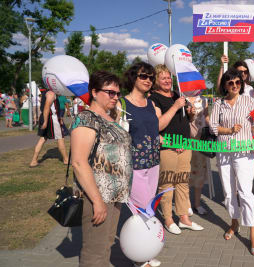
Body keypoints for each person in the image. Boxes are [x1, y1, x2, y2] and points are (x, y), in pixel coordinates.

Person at [70, 71, 132, 267]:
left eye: (117, 93)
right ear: (95, 92)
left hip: (114, 195)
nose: (115, 97)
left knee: (105, 246)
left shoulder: (108, 117)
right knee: (94, 252)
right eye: (110, 92)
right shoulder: (87, 119)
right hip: (98, 195)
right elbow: (79, 162)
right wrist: (97, 201)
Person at [209, 68, 254, 255]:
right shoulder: (219, 104)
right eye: (231, 83)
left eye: (238, 82)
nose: (235, 86)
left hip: (244, 152)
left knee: (245, 193)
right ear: (225, 85)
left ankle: (252, 231)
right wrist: (229, 130)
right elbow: (213, 127)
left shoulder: (249, 101)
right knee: (229, 193)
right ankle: (234, 222)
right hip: (224, 152)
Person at [149, 64, 204, 235]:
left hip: (184, 145)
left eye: (168, 77)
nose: (167, 80)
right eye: (163, 77)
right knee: (167, 184)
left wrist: (190, 113)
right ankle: (168, 219)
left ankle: (184, 218)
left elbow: (185, 120)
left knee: (182, 183)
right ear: (156, 81)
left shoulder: (177, 94)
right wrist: (175, 107)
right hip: (168, 147)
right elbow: (158, 125)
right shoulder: (154, 98)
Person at [118, 62, 161, 267]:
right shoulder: (121, 104)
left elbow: (153, 129)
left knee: (148, 209)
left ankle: (146, 250)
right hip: (134, 166)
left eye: (151, 77)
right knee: (143, 209)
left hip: (153, 162)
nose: (148, 80)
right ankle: (139, 256)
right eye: (144, 76)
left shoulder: (151, 104)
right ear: (134, 77)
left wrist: (159, 139)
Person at [29, 90, 69, 168]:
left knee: (43, 139)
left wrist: (59, 118)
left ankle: (34, 161)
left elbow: (52, 108)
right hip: (51, 119)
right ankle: (66, 159)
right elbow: (46, 108)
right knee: (60, 138)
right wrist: (45, 122)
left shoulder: (47, 93)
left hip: (49, 118)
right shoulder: (51, 94)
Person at [187, 94, 210, 215]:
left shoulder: (204, 99)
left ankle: (197, 204)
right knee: (185, 174)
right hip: (185, 141)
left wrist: (213, 126)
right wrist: (189, 114)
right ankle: (186, 204)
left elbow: (206, 117)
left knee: (199, 174)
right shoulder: (180, 98)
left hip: (201, 141)